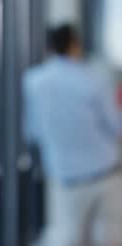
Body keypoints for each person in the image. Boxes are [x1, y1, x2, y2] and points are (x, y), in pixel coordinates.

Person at [23, 24, 122, 245]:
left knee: (70, 236)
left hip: (65, 175)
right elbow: (116, 126)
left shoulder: (33, 81)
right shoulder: (96, 79)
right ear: (74, 45)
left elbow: (33, 131)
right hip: (105, 174)